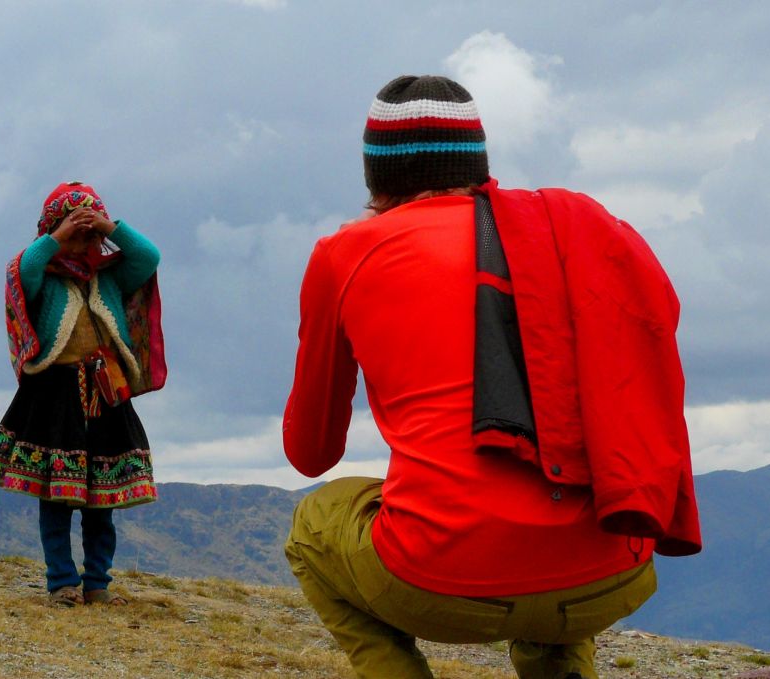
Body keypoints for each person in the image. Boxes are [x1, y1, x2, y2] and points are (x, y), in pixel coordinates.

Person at [282, 75, 701, 678]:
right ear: (477, 161)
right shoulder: (559, 237)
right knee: (557, 492)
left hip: (439, 579)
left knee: (316, 518)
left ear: (375, 175)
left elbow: (311, 454)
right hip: (612, 565)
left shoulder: (344, 253)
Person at [0, 181, 166, 607]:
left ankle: (97, 583)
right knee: (56, 499)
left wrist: (108, 226)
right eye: (74, 229)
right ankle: (62, 582)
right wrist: (57, 239)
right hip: (54, 397)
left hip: (105, 395)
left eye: (89, 231)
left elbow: (148, 257)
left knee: (102, 503)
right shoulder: (44, 276)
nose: (84, 239)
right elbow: (21, 271)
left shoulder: (111, 276)